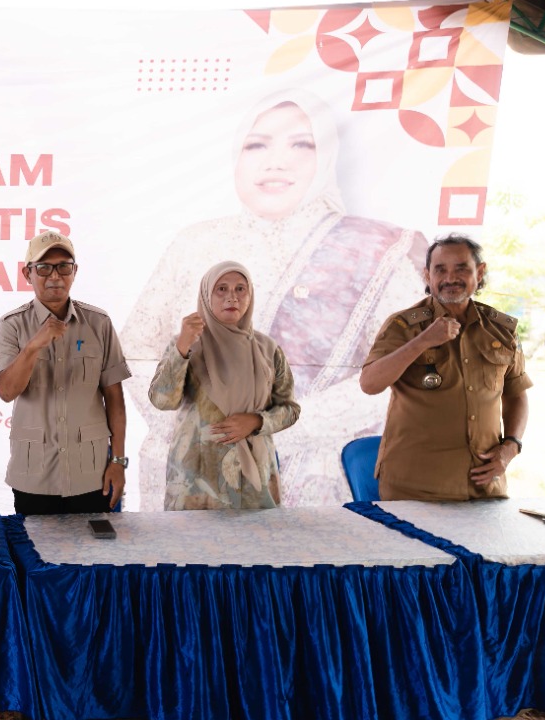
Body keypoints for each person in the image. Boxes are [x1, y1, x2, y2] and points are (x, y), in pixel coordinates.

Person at [122, 88, 427, 507]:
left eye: (301, 144)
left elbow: (399, 371)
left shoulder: (376, 252)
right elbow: (134, 349)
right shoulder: (193, 242)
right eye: (256, 144)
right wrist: (183, 423)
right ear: (236, 156)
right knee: (185, 571)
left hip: (307, 471)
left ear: (327, 157)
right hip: (187, 460)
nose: (275, 161)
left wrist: (269, 429)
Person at [359, 233, 531, 501]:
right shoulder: (405, 325)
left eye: (461, 268)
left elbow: (516, 394)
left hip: (484, 488)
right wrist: (422, 341)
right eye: (441, 269)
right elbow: (370, 383)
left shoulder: (500, 330)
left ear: (480, 272)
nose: (451, 278)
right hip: (415, 488)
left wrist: (511, 446)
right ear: (427, 276)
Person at [0, 230, 131, 514]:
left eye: (63, 266)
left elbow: (114, 398)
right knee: (34, 555)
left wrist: (118, 461)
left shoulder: (98, 323)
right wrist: (33, 347)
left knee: (96, 555)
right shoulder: (12, 326)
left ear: (74, 271)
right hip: (35, 475)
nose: (54, 275)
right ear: (27, 274)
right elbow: (7, 392)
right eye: (43, 267)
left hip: (92, 474)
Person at [148, 261, 301, 509]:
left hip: (255, 480)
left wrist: (257, 421)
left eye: (241, 289)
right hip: (197, 479)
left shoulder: (267, 350)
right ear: (206, 296)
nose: (232, 297)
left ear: (250, 295)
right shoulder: (188, 344)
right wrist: (183, 347)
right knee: (195, 547)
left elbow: (290, 409)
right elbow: (162, 400)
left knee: (255, 545)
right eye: (221, 289)